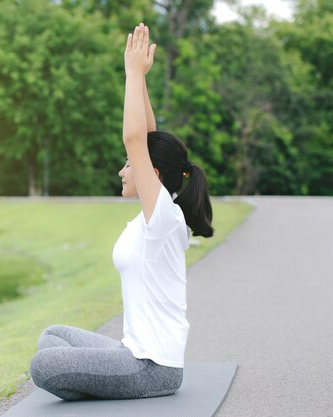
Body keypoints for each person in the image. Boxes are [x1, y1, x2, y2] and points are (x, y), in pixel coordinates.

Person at [29, 22, 214, 401]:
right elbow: (145, 136)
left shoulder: (162, 216)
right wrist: (141, 80)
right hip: (131, 353)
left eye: (129, 165)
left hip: (151, 369)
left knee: (43, 366)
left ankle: (104, 384)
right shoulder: (159, 212)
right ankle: (100, 380)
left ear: (153, 173)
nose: (122, 170)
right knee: (52, 337)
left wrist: (131, 74)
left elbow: (135, 140)